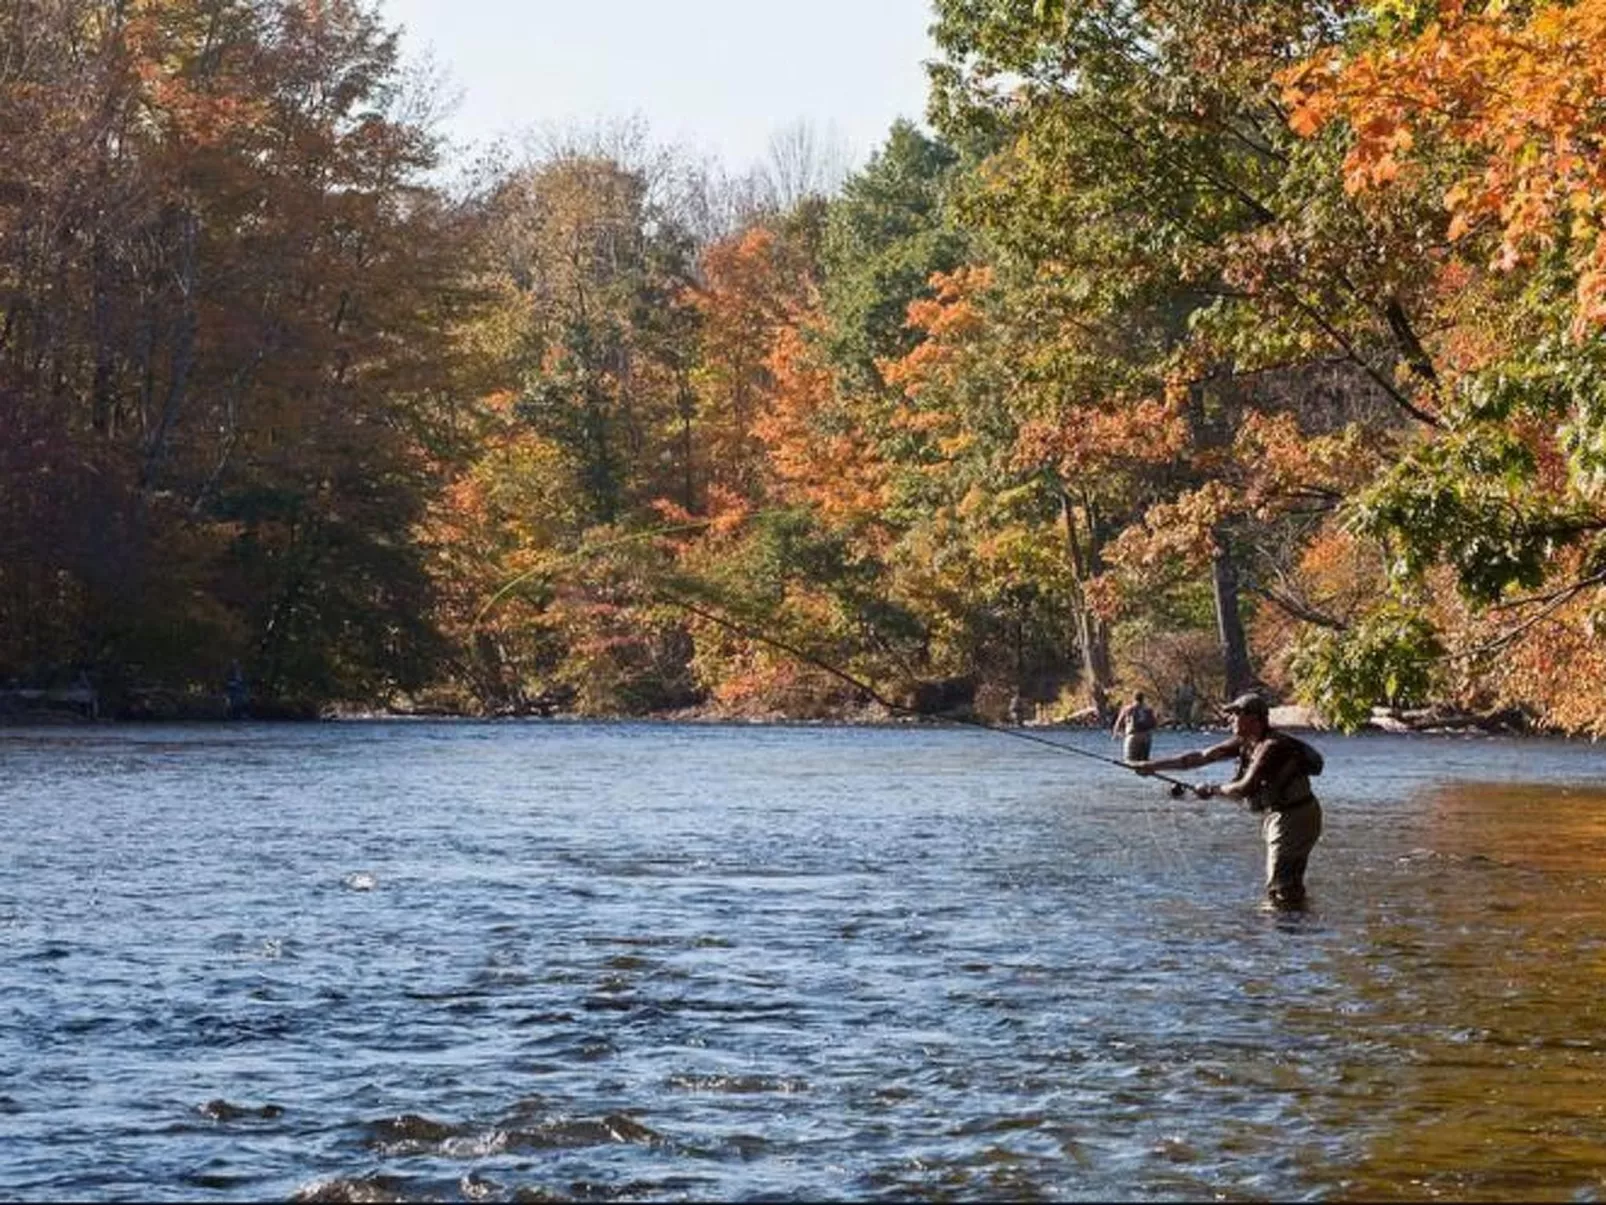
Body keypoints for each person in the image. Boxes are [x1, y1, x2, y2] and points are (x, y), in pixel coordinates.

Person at [1128, 691, 1324, 909]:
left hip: (1295, 817)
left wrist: (1212, 789)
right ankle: (1299, 928)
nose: (1230, 719)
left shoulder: (1271, 747)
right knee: (1287, 885)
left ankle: (1285, 932)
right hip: (1284, 816)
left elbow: (1243, 788)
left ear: (1254, 719)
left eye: (1236, 715)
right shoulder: (1245, 741)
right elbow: (1200, 757)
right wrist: (1150, 766)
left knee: (1280, 889)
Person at [1112, 691, 1158, 761]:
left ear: (1133, 698)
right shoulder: (1148, 710)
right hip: (1146, 737)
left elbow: (1118, 722)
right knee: (1144, 760)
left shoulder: (1128, 709)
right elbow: (1154, 724)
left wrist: (1115, 734)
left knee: (1129, 760)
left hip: (1133, 736)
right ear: (1143, 699)